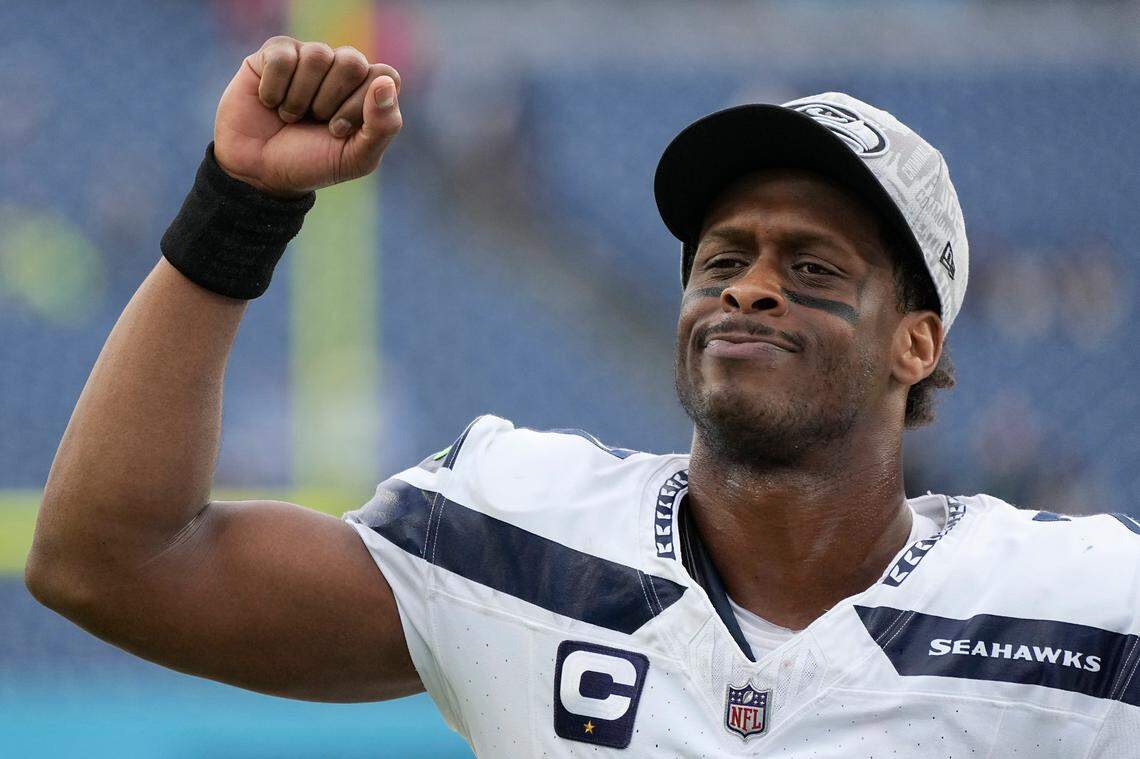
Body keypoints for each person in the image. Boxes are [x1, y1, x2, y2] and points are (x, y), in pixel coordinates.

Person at [25, 35, 1140, 757]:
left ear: (916, 343)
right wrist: (238, 210)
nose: (749, 287)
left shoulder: (1082, 612)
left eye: (811, 267)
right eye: (721, 260)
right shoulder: (522, 536)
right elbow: (111, 561)